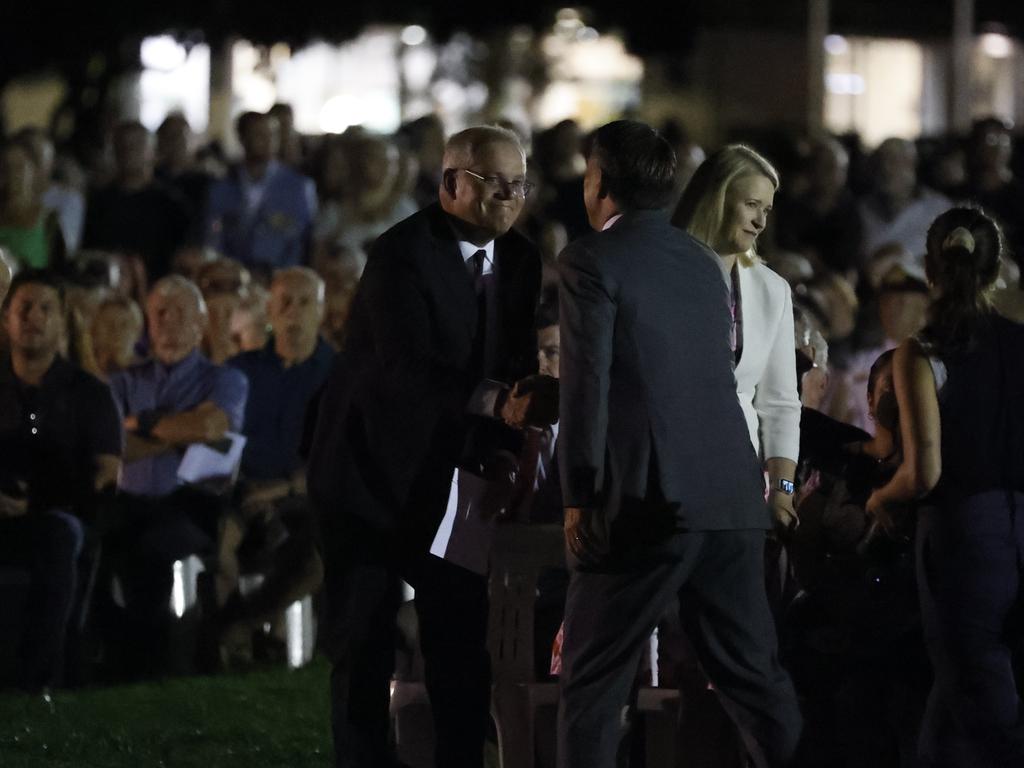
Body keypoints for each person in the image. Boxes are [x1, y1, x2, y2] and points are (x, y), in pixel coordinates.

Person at [557, 120, 802, 768]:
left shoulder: (591, 259)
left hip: (646, 504)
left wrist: (578, 493)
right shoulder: (698, 263)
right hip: (729, 497)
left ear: (601, 181)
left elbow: (588, 390)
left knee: (592, 682)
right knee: (756, 679)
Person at [306, 124, 549, 768]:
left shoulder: (522, 260)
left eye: (518, 186)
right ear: (451, 184)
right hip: (368, 472)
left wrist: (501, 449)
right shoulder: (403, 254)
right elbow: (402, 368)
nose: (508, 198)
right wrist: (497, 401)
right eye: (493, 184)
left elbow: (516, 356)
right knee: (366, 639)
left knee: (459, 638)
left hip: (454, 480)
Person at [863, 207, 1024, 767]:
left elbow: (923, 471)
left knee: (980, 695)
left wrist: (880, 498)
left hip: (964, 538)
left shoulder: (922, 352)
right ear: (995, 270)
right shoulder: (1019, 343)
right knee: (960, 699)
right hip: (1019, 525)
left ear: (931, 270)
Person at [105, 275, 248, 674]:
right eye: (159, 313)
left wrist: (142, 423)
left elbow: (210, 429)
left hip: (191, 503)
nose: (167, 321)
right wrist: (178, 431)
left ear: (201, 325)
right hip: (127, 502)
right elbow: (115, 447)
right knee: (94, 542)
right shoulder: (122, 381)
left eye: (179, 313)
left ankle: (150, 660)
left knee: (151, 547)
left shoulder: (224, 380)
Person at [0, 270, 122, 690]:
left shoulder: (89, 394)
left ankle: (37, 682)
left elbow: (105, 474)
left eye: (45, 309)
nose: (33, 318)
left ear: (61, 319)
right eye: (24, 309)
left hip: (57, 517)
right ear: (6, 320)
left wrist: (36, 502)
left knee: (58, 539)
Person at [673, 143, 801, 529]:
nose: (760, 222)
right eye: (751, 205)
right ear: (716, 199)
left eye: (766, 210)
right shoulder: (662, 274)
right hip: (668, 476)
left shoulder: (771, 289)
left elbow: (779, 403)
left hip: (739, 482)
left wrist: (781, 492)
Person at [215, 267, 334, 652]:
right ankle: (216, 638)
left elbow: (340, 455)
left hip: (302, 492)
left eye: (304, 303)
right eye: (285, 302)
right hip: (241, 490)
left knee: (315, 549)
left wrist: (284, 488)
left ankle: (245, 625)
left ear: (321, 311)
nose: (293, 312)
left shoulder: (339, 374)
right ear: (269, 310)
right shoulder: (240, 372)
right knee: (215, 538)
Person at [203, 111, 317, 276]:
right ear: (242, 138)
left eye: (272, 135)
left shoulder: (298, 187)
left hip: (282, 277)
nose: (268, 141)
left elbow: (303, 241)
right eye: (259, 134)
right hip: (232, 279)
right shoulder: (222, 187)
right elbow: (213, 237)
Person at [81, 120, 190, 280]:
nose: (129, 152)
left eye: (137, 145)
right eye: (122, 146)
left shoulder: (171, 205)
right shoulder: (99, 202)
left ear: (153, 152)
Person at [0, 137, 67, 270]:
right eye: (6, 168)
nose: (13, 176)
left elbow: (60, 274)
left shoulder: (49, 221)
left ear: (33, 172)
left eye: (19, 168)